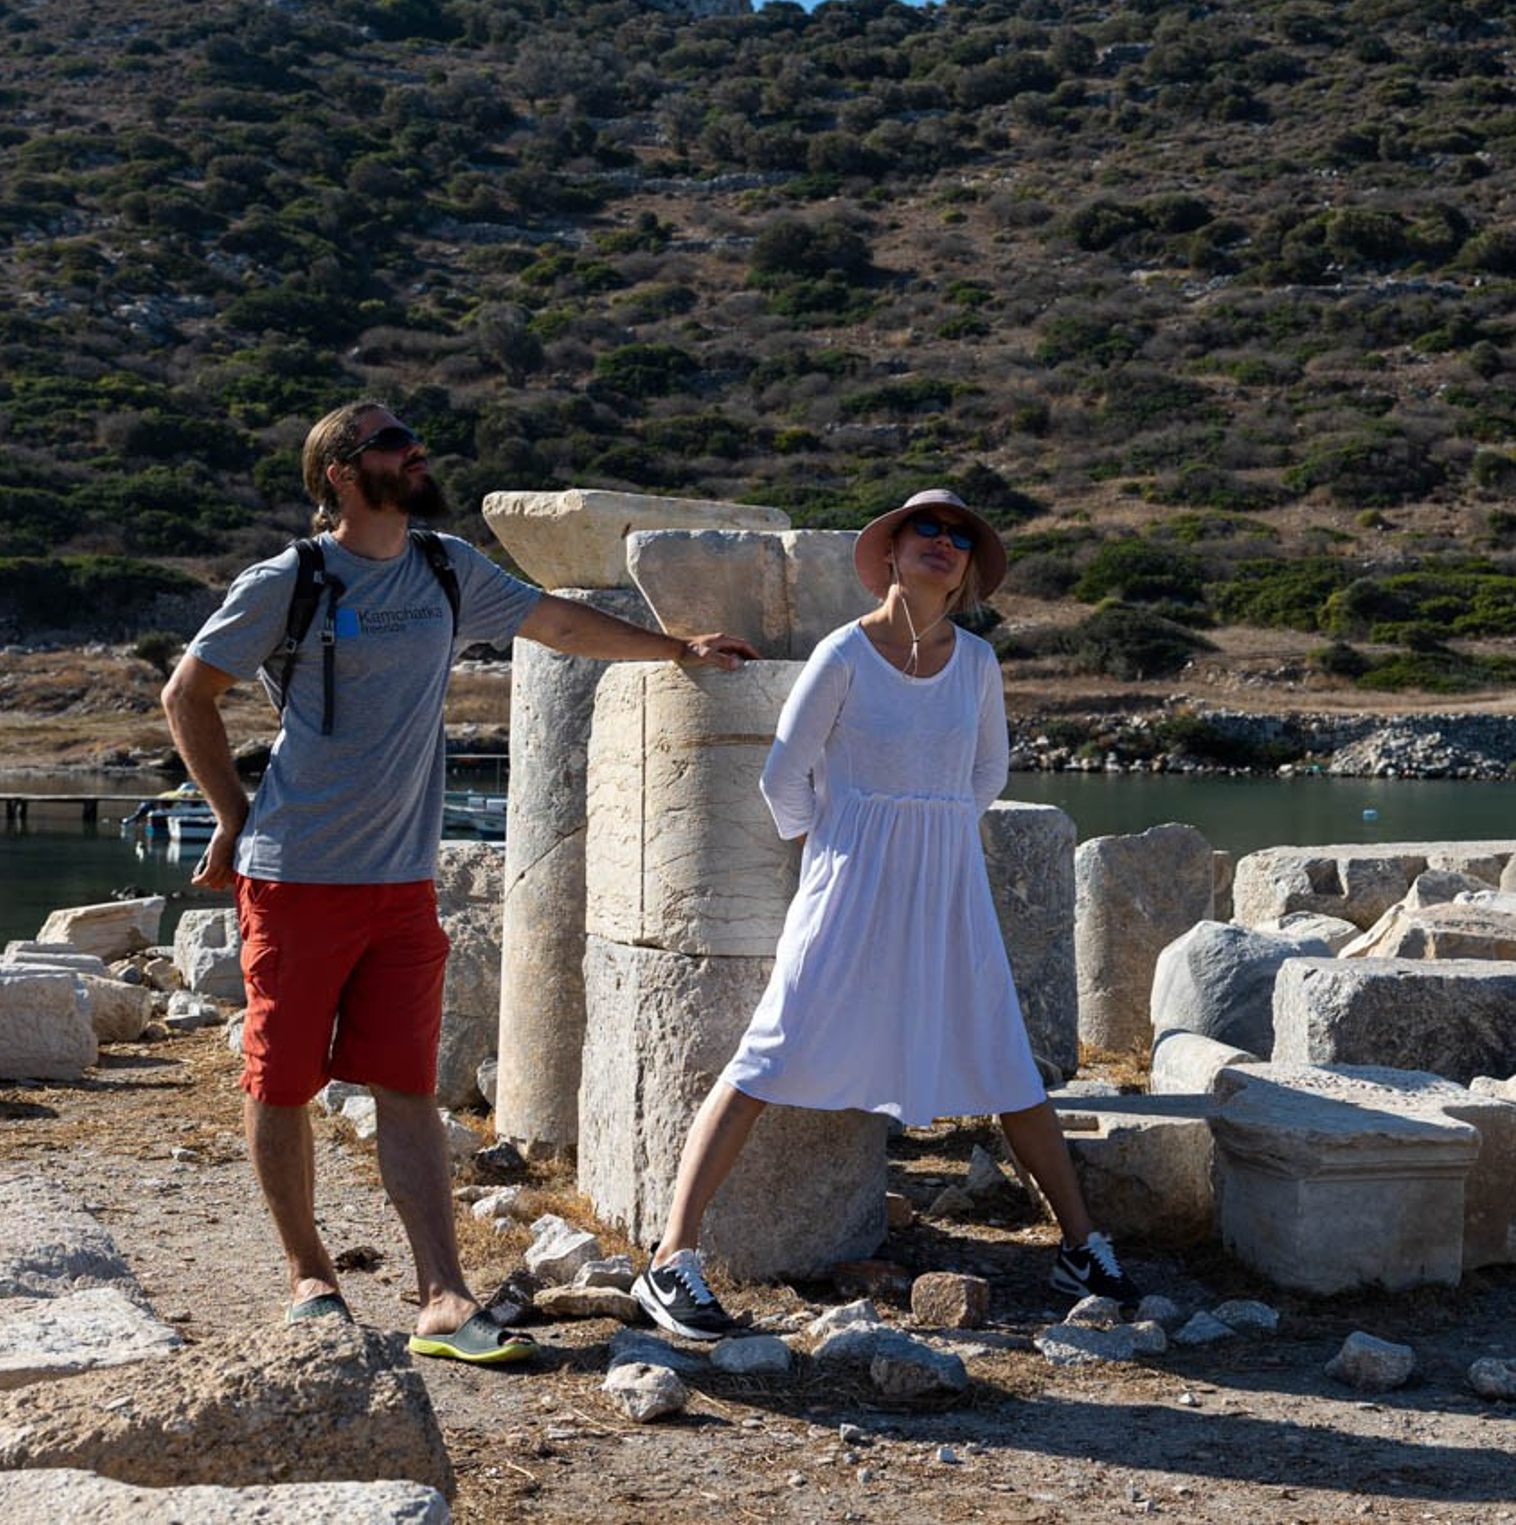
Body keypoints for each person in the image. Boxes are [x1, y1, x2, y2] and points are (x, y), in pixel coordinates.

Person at [162, 401, 756, 1365]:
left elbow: (558, 621)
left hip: (401, 883)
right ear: (343, 476)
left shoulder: (446, 566)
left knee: (404, 1088)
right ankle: (312, 1275)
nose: (417, 452)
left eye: (412, 439)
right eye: (394, 445)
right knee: (280, 1084)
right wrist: (234, 818)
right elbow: (187, 694)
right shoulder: (290, 580)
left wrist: (676, 648)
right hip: (297, 877)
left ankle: (443, 1295)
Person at [633, 488, 1137, 1340]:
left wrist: (927, 833)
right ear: (893, 554)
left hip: (949, 889)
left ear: (967, 571)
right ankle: (671, 1259)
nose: (942, 542)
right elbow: (780, 779)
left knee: (1005, 1061)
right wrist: (845, 845)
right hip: (849, 885)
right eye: (925, 530)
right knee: (771, 1050)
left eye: (958, 537)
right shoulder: (844, 653)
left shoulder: (977, 665)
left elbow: (985, 777)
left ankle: (1082, 1246)